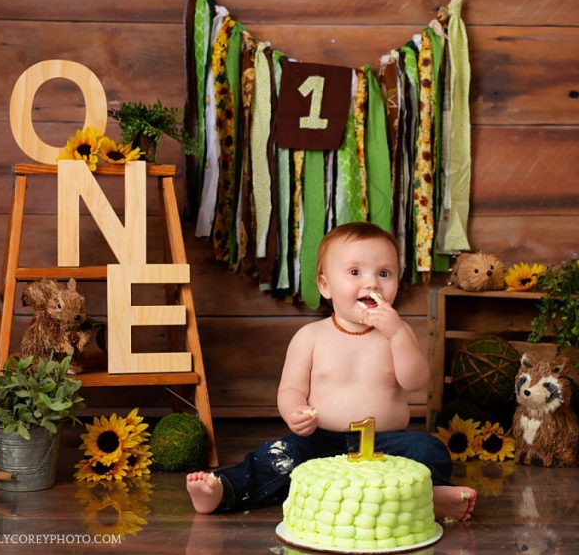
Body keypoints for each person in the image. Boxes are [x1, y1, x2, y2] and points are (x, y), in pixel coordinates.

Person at [187, 222, 476, 522]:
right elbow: (291, 390)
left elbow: (416, 382)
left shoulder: (398, 335)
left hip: (386, 442)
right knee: (277, 454)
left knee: (429, 448)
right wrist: (294, 412)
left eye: (384, 273)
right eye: (355, 272)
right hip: (320, 441)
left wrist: (397, 335)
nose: (372, 283)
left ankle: (431, 495)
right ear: (326, 286)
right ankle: (225, 489)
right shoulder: (310, 336)